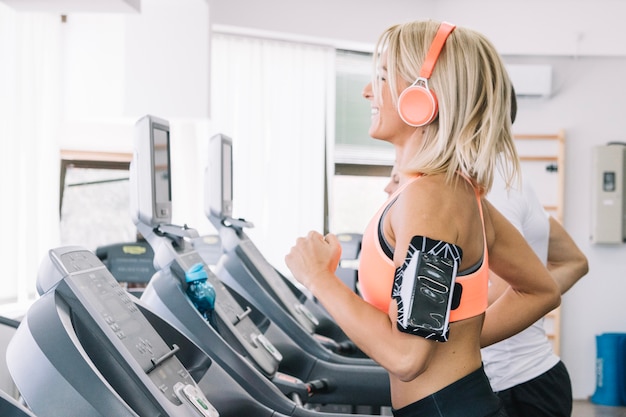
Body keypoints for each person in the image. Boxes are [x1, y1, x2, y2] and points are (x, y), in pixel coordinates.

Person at [285, 19, 560, 417]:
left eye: (380, 78)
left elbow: (407, 356)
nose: (366, 92)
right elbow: (541, 290)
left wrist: (319, 279)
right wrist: (459, 341)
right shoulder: (450, 190)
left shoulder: (433, 199)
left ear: (421, 97)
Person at [482, 172, 589, 417]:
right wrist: (533, 294)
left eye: (397, 179)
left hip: (514, 385)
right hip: (531, 379)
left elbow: (501, 291)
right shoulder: (511, 181)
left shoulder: (496, 189)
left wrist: (530, 295)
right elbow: (574, 261)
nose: (390, 188)